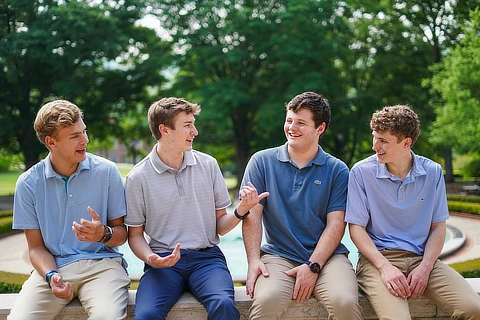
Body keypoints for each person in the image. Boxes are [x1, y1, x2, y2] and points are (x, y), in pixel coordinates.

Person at [125, 97, 269, 320]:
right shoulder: (138, 177)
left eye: (193, 124)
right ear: (165, 130)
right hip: (163, 261)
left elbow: (220, 226)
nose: (195, 131)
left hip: (207, 260)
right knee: (146, 315)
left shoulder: (208, 165)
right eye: (187, 125)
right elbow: (134, 235)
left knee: (224, 306)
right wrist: (151, 258)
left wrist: (242, 210)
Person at [346, 105, 480, 320]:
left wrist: (425, 268)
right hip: (378, 261)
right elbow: (356, 229)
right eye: (374, 137)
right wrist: (385, 267)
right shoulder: (361, 172)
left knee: (474, 309)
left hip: (422, 259)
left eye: (383, 140)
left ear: (406, 142)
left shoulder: (433, 172)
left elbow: (438, 227)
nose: (374, 146)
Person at [241, 91, 363, 319]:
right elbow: (252, 215)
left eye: (301, 123)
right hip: (279, 254)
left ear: (320, 128)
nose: (292, 128)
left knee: (345, 302)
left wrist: (313, 265)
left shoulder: (337, 170)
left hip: (328, 258)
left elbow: (336, 224)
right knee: (266, 302)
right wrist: (254, 259)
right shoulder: (261, 161)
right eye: (289, 121)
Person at [9, 100, 130, 320]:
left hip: (102, 267)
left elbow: (121, 234)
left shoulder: (107, 172)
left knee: (108, 317)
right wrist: (51, 275)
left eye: (83, 131)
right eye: (74, 136)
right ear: (51, 141)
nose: (85, 140)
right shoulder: (28, 183)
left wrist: (103, 234)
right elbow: (35, 248)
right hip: (55, 267)